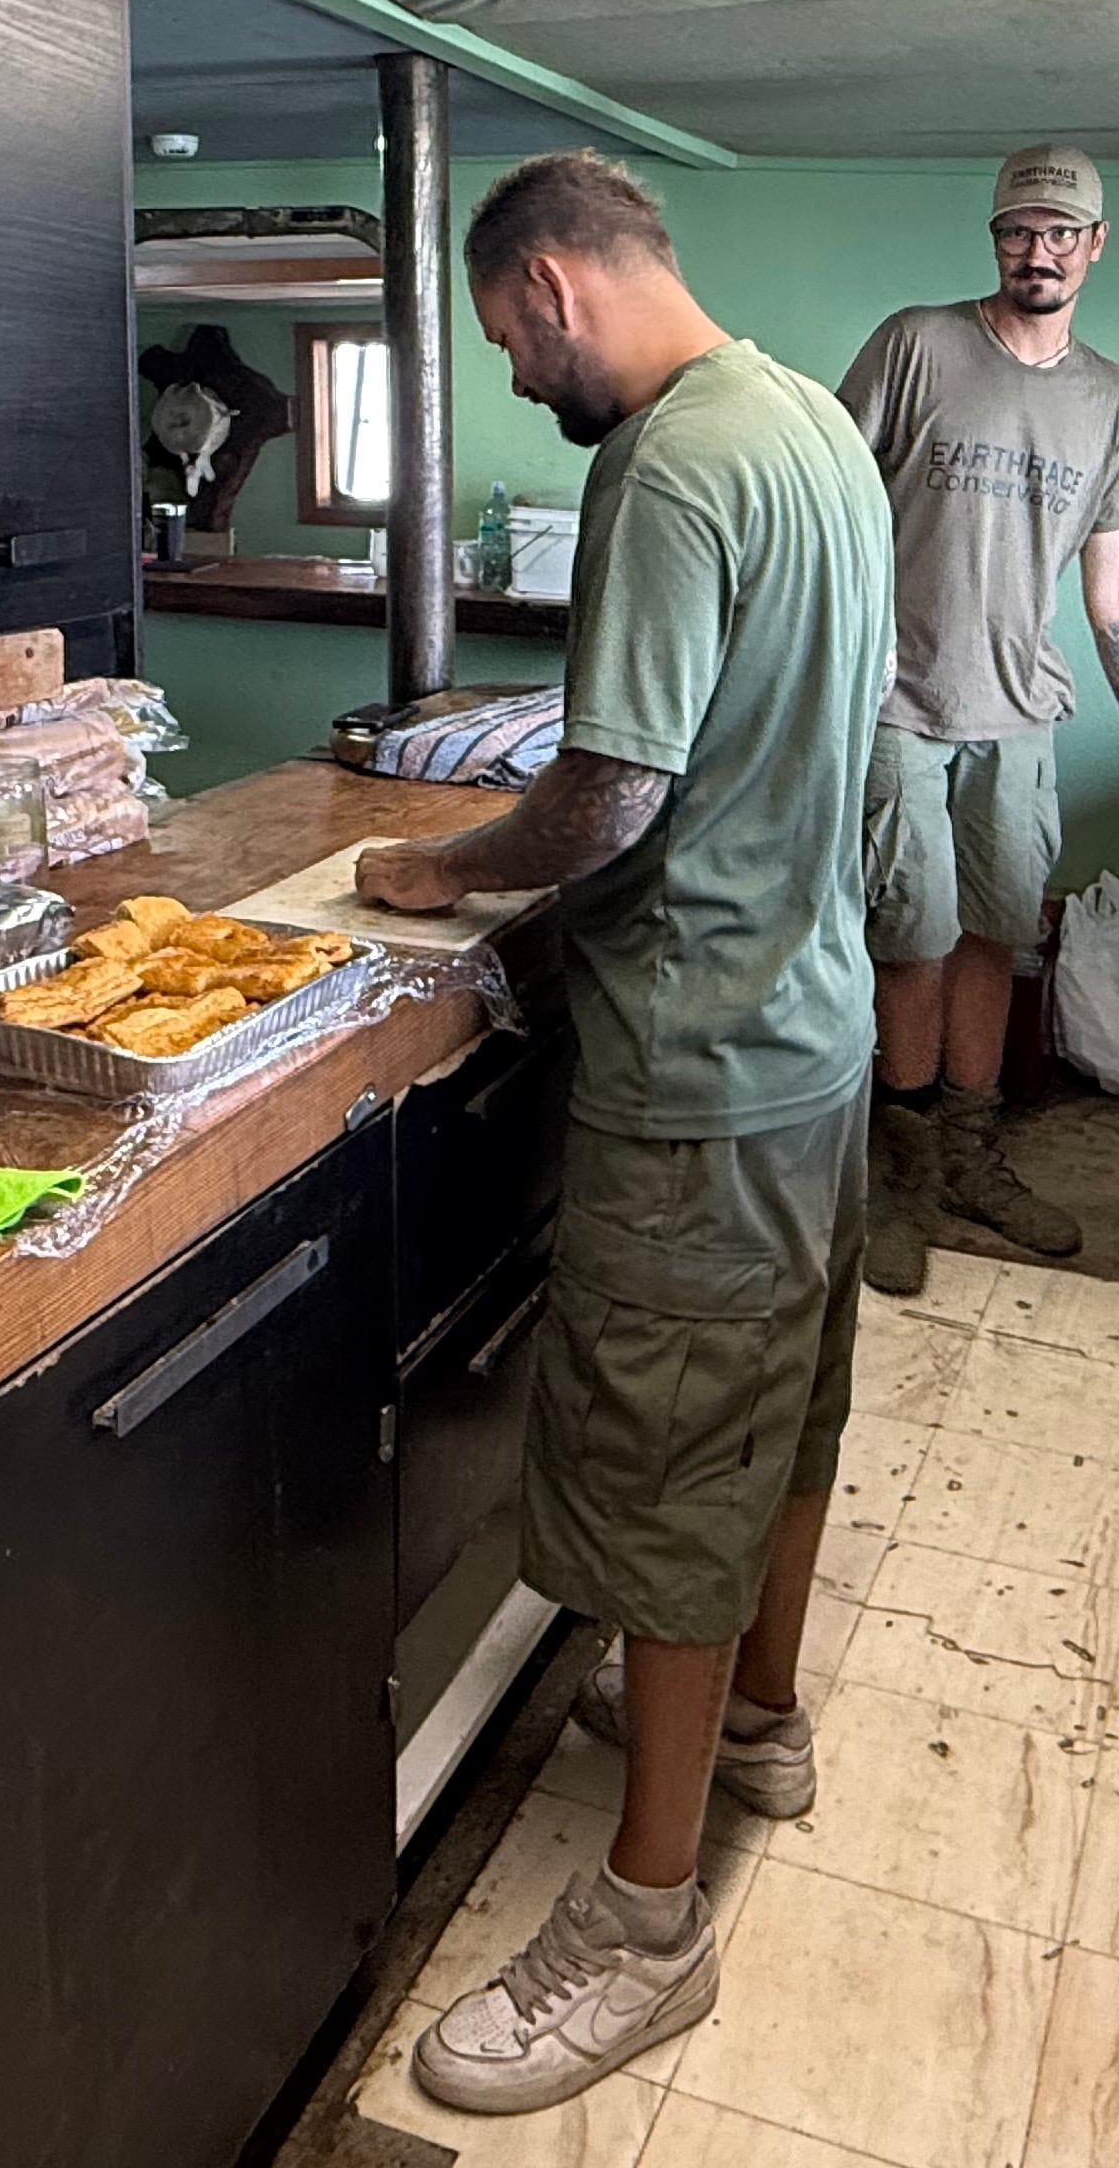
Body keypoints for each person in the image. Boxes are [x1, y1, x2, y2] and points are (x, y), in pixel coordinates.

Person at [356, 150, 893, 2116]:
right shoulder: (810, 417)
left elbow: (610, 795)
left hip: (705, 1062)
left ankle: (647, 1925)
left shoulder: (665, 461)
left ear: (558, 285)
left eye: (508, 337)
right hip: (817, 1038)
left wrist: (440, 872)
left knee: (670, 1465)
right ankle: (756, 1725)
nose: (518, 379)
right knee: (784, 1406)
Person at [836, 143, 1119, 1296]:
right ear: (995, 239)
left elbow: (1114, 590)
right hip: (898, 704)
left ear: (1095, 245)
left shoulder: (1112, 400)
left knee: (996, 934)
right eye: (1016, 232)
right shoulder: (916, 345)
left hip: (1021, 713)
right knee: (913, 937)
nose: (1037, 252)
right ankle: (900, 1173)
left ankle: (972, 1162)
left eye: (1060, 233)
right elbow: (828, 505)